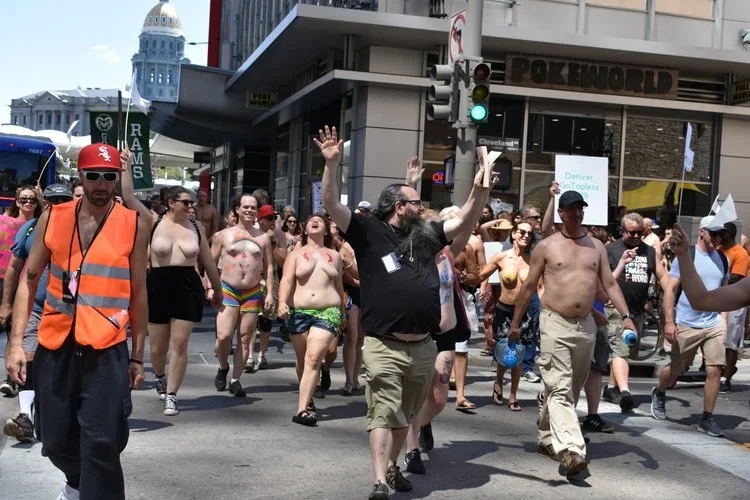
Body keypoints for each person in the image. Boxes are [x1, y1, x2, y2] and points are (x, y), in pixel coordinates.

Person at [316, 125, 495, 500]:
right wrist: (332, 164)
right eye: (416, 201)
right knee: (383, 411)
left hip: (423, 346)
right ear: (399, 207)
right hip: (384, 345)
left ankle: (392, 466)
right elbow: (331, 204)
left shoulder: (426, 234)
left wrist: (481, 190)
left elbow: (464, 220)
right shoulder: (367, 231)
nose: (422, 207)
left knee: (405, 414)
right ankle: (379, 480)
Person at [5, 143, 149, 499]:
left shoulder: (133, 224)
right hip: (56, 342)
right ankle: (75, 484)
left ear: (118, 177)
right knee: (54, 440)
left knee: (102, 441)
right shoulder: (54, 217)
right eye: (94, 176)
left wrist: (137, 356)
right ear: (80, 176)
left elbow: (139, 292)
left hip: (106, 346)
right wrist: (15, 344)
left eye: (110, 177)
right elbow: (29, 277)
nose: (102, 184)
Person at [509, 190, 637, 478]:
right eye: (571, 209)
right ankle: (571, 450)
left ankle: (546, 435)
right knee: (560, 387)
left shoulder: (596, 247)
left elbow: (609, 285)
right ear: (561, 213)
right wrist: (515, 325)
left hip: (585, 325)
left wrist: (627, 317)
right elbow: (528, 287)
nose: (577, 214)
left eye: (580, 209)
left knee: (570, 389)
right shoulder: (546, 246)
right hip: (554, 321)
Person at [121, 152, 222, 416]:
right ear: (171, 203)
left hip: (187, 285)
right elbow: (129, 197)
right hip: (157, 285)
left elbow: (208, 261)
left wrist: (218, 289)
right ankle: (161, 375)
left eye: (192, 203)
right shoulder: (154, 221)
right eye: (185, 202)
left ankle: (173, 395)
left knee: (180, 343)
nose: (190, 206)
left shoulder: (196, 227)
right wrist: (126, 167)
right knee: (157, 348)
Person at [2, 184, 73, 442]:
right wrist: (6, 304)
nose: (58, 204)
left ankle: (56, 416)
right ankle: (25, 416)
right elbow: (14, 269)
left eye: (64, 199)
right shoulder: (31, 229)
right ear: (45, 202)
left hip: (69, 311)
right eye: (53, 200)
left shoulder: (82, 229)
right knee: (28, 358)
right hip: (35, 307)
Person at [403, 208, 472, 474]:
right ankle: (411, 449)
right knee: (415, 394)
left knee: (440, 397)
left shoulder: (448, 253)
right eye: (433, 226)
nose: (439, 230)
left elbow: (466, 224)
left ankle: (422, 423)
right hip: (420, 333)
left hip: (446, 333)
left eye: (440, 226)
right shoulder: (411, 255)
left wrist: (481, 191)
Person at [651, 216, 729, 437]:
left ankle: (707, 417)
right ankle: (660, 391)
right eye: (714, 233)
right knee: (676, 370)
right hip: (687, 322)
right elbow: (670, 288)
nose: (718, 238)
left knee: (715, 369)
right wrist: (669, 321)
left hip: (713, 323)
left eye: (721, 234)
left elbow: (724, 290)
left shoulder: (723, 259)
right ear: (702, 232)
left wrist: (724, 319)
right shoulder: (687, 255)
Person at [278, 214, 345, 425]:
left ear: (326, 229)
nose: (315, 222)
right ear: (305, 229)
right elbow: (286, 281)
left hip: (327, 311)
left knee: (314, 358)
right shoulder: (295, 255)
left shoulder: (334, 255)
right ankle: (307, 396)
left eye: (320, 220)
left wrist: (342, 312)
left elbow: (339, 286)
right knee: (303, 360)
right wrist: (282, 302)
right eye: (311, 221)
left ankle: (302, 410)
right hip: (299, 312)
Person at [601, 213, 669, 414]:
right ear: (622, 231)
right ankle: (625, 392)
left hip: (638, 311)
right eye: (632, 233)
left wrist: (673, 292)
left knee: (626, 352)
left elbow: (663, 278)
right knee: (620, 350)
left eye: (640, 232)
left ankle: (611, 388)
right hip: (616, 311)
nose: (636, 236)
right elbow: (602, 280)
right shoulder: (610, 250)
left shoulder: (649, 251)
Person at [210, 194, 275, 397]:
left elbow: (269, 267)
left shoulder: (263, 237)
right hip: (228, 288)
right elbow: (210, 262)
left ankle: (236, 380)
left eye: (253, 207)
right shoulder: (223, 235)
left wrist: (270, 293)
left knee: (245, 338)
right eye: (245, 207)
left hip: (252, 291)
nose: (249, 210)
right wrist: (210, 287)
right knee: (224, 336)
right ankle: (223, 366)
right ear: (237, 209)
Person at [479, 221, 536, 411]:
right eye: (522, 232)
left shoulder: (533, 260)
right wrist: (475, 284)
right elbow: (482, 275)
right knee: (504, 351)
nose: (526, 236)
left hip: (525, 312)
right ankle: (498, 382)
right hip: (504, 310)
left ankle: (513, 394)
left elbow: (541, 286)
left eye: (529, 233)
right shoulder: (501, 257)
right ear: (513, 234)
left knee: (518, 353)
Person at [0, 185, 43, 396]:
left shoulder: (42, 224)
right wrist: (6, 303)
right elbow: (13, 267)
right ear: (16, 202)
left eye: (32, 199)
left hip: (31, 285)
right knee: (11, 329)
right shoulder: (5, 223)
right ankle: (13, 375)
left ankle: (17, 377)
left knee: (20, 331)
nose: (28, 202)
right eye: (24, 199)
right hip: (7, 281)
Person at [253, 204, 288, 371]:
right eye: (269, 218)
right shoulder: (252, 232)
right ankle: (248, 356)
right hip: (253, 276)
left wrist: (273, 242)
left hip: (271, 277)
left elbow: (283, 261)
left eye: (274, 217)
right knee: (250, 317)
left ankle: (262, 354)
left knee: (266, 318)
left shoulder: (280, 234)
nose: (273, 221)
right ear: (260, 219)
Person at [717, 222, 748, 393]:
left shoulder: (740, 253)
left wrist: (717, 280)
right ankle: (718, 368)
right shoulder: (719, 250)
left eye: (722, 233)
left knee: (731, 341)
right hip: (719, 299)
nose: (719, 236)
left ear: (729, 234)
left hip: (735, 301)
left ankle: (726, 378)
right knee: (716, 337)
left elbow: (736, 277)